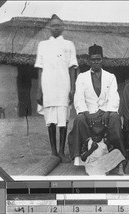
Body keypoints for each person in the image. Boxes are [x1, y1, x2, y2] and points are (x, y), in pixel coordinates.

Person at [68, 44, 126, 165]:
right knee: (79, 119)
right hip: (89, 112)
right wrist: (86, 113)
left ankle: (118, 156)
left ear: (102, 60)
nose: (96, 62)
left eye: (98, 59)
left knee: (115, 118)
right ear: (89, 61)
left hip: (105, 113)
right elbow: (78, 97)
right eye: (93, 59)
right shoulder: (81, 77)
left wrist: (108, 111)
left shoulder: (110, 77)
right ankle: (82, 158)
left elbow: (114, 96)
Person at [35, 14, 78, 162]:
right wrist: (39, 90)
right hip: (48, 87)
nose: (56, 28)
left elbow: (72, 68)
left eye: (58, 25)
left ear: (63, 27)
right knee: (50, 119)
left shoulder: (69, 44)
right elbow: (40, 68)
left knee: (63, 119)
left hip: (63, 86)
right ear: (49, 27)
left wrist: (72, 88)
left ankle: (61, 151)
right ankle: (53, 151)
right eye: (53, 25)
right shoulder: (42, 45)